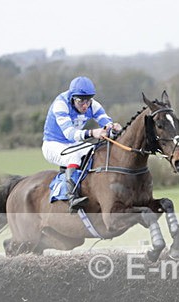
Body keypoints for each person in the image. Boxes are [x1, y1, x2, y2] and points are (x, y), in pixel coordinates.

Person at [42, 76, 121, 210]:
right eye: (81, 102)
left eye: (88, 101)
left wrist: (112, 127)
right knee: (74, 157)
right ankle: (72, 197)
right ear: (73, 98)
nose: (85, 105)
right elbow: (70, 134)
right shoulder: (60, 104)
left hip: (72, 144)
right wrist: (92, 133)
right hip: (53, 144)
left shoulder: (93, 104)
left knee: (95, 151)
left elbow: (105, 120)